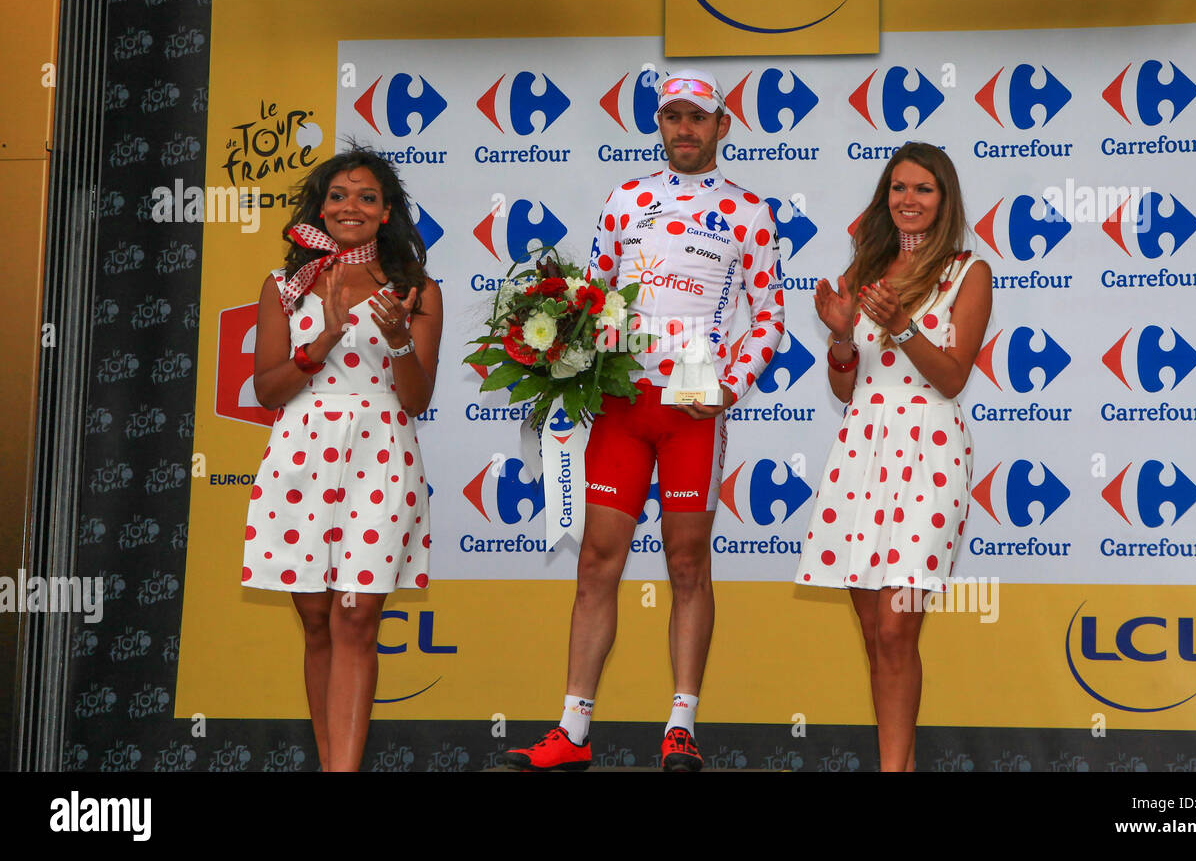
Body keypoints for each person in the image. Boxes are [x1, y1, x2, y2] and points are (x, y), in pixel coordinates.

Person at [504, 69, 785, 771]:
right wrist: (562, 349)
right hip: (623, 399)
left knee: (689, 562)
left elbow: (771, 316)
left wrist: (729, 386)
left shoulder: (750, 211)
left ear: (723, 126)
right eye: (672, 117)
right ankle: (572, 731)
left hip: (693, 401)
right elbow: (593, 295)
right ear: (659, 125)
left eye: (698, 117)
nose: (684, 129)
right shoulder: (628, 198)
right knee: (598, 561)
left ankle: (681, 727)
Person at [240, 147, 443, 772]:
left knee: (356, 616)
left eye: (366, 197)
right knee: (319, 621)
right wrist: (321, 342)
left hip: (381, 452)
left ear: (386, 214)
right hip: (300, 454)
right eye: (337, 195)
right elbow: (268, 391)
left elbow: (415, 398)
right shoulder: (285, 286)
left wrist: (402, 339)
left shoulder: (415, 289)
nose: (349, 206)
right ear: (319, 208)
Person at [796, 142, 991, 772]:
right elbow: (846, 386)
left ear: (945, 200)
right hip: (861, 448)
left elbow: (953, 378)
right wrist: (843, 335)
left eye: (923, 190)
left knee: (897, 628)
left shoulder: (969, 272)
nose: (908, 200)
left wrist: (904, 326)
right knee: (874, 635)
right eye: (898, 189)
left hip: (931, 451)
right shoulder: (865, 271)